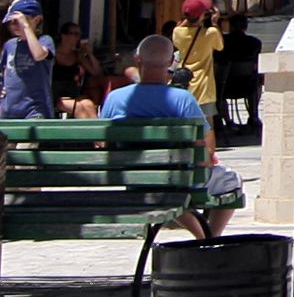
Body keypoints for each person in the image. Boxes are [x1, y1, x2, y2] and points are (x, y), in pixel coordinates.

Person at [96, 36, 245, 239]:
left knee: (166, 189)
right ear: (169, 64)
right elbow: (206, 151)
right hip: (179, 181)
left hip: (135, 182)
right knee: (232, 180)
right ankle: (211, 239)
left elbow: (103, 143)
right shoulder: (182, 99)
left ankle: (204, 237)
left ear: (137, 59)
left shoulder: (115, 98)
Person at [168, 0, 226, 152]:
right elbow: (220, 46)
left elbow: (181, 28)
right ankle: (209, 154)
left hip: (184, 84)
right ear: (202, 15)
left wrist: (189, 18)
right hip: (204, 84)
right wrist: (213, 22)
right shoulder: (211, 32)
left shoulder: (177, 32)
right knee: (208, 124)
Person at [0, 0, 57, 121]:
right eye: (12, 22)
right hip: (9, 109)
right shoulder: (10, 45)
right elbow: (7, 75)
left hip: (34, 110)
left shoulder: (45, 41)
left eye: (18, 22)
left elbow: (39, 55)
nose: (14, 26)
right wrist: (0, 108)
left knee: (27, 141)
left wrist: (26, 26)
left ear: (36, 20)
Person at [50, 25, 108, 117]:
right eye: (75, 34)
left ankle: (96, 130)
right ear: (64, 36)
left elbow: (96, 72)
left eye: (79, 35)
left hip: (73, 94)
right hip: (57, 97)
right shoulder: (53, 55)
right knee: (77, 107)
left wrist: (90, 54)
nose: (78, 38)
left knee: (88, 104)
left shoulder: (77, 55)